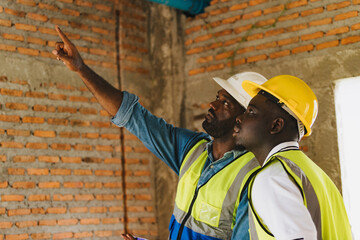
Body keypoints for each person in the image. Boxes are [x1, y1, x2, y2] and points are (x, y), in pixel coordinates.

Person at [52, 25, 267, 239]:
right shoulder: (192, 150)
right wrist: (81, 68)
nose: (212, 104)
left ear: (243, 119)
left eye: (225, 103)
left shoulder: (253, 177)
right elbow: (133, 116)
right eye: (217, 97)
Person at [234, 75, 352, 239]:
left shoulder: (272, 178)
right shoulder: (318, 176)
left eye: (251, 112)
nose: (239, 118)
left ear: (276, 125)